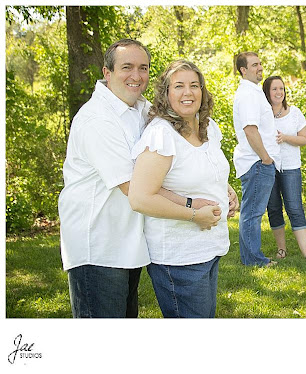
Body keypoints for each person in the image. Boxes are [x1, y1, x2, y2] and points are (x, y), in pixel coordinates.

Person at [59, 39, 215, 318]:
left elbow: (178, 155)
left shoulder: (140, 108)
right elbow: (134, 187)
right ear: (107, 73)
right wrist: (192, 205)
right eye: (127, 67)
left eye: (143, 68)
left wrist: (217, 183)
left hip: (129, 243)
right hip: (98, 245)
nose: (136, 76)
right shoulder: (98, 119)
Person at [128, 60, 238, 318]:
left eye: (194, 85)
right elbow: (140, 197)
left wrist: (226, 191)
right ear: (166, 94)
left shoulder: (208, 128)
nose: (188, 92)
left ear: (203, 91)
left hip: (209, 249)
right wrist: (193, 213)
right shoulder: (161, 135)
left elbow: (206, 173)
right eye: (178, 86)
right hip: (179, 258)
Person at [262, 76, 306, 264]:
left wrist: (285, 137)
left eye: (281, 88)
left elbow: (303, 139)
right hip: (269, 166)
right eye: (274, 89)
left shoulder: (294, 112)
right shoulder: (262, 114)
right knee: (274, 207)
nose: (279, 92)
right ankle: (281, 249)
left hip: (290, 167)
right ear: (267, 92)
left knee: (295, 208)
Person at [233, 52, 281, 267]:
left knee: (251, 212)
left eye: (260, 63)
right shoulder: (248, 94)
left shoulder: (253, 92)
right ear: (243, 70)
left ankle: (250, 258)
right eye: (254, 65)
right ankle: (253, 260)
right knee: (252, 213)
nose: (260, 67)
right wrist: (266, 159)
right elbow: (250, 130)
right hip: (257, 162)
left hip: (258, 161)